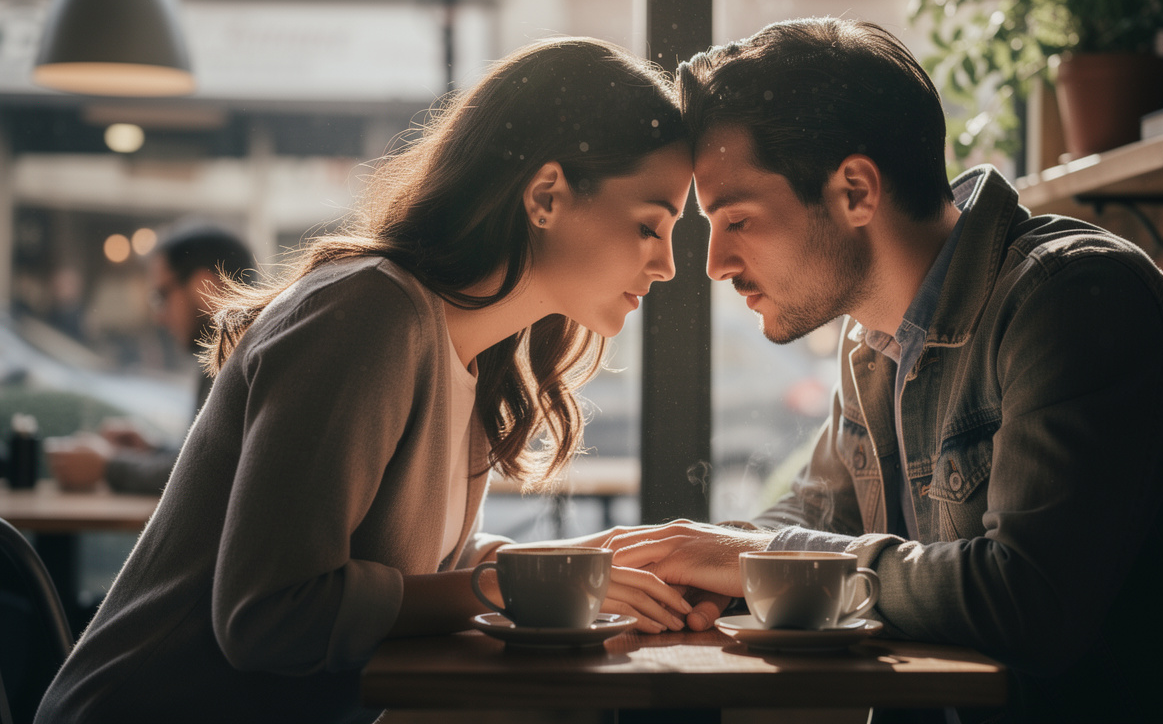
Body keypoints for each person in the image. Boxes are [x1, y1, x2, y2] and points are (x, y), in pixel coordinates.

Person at [605, 18, 1163, 723]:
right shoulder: (873, 341)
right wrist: (702, 572)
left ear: (855, 190)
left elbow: (1028, 601)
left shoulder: (1073, 296)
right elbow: (816, 517)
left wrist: (756, 557)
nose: (715, 264)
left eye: (737, 219)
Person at [36, 37, 695, 724]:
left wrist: (566, 568)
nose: (668, 266)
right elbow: (269, 618)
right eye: (652, 226)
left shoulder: (467, 352)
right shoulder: (368, 311)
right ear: (547, 195)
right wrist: (499, 585)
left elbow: (414, 565)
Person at [45, 225, 256, 495]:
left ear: (205, 285)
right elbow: (212, 461)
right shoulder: (240, 352)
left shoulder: (240, 361)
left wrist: (107, 465)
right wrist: (153, 449)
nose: (158, 316)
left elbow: (199, 479)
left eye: (161, 296)